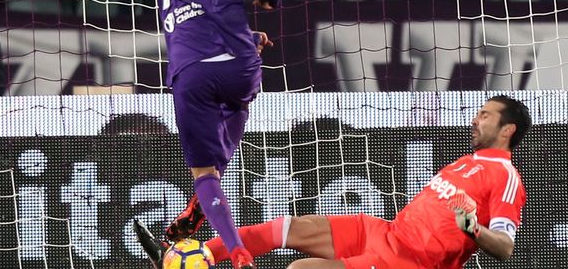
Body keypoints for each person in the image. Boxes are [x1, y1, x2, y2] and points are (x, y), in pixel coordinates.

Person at [141, 95, 531, 268]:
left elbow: (505, 247)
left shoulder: (506, 177)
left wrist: (473, 227)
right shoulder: (468, 161)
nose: (475, 119)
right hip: (386, 232)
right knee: (290, 227)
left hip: (408, 262)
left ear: (506, 129)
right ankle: (192, 258)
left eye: (485, 115)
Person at [133, 0, 280, 269]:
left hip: (191, 70)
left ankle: (237, 253)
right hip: (239, 62)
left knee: (204, 173)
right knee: (237, 101)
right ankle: (195, 212)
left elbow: (192, 9)